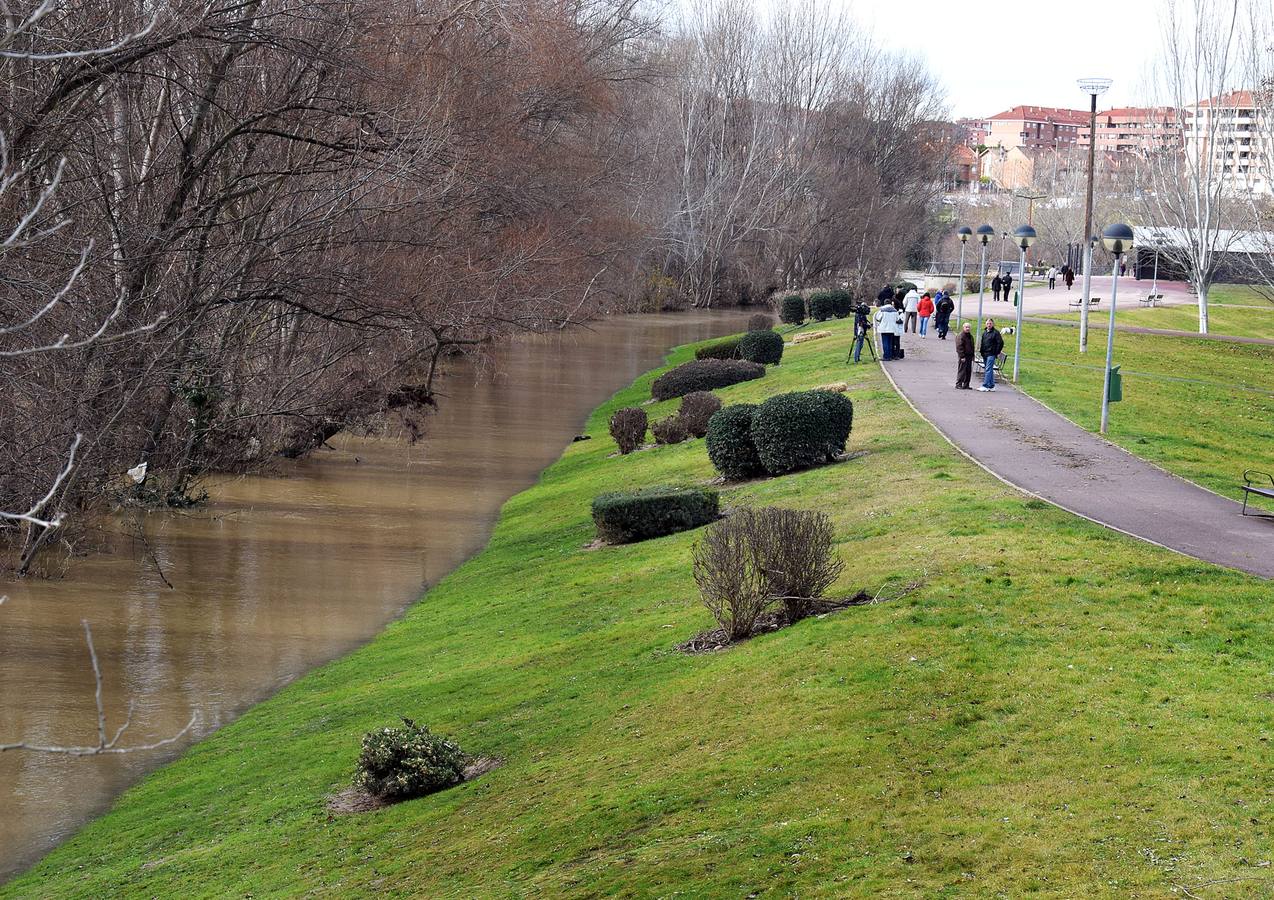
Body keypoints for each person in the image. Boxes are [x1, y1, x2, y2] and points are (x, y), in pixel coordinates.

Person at [978, 317, 1004, 391]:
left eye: (990, 323)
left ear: (993, 324)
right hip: (984, 353)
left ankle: (985, 385)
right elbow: (983, 343)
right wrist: (981, 351)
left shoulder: (996, 333)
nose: (989, 325)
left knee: (988, 369)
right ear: (985, 324)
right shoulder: (984, 332)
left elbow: (1000, 343)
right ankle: (991, 386)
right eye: (987, 323)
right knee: (988, 369)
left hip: (991, 354)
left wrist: (996, 352)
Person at [955, 322, 975, 389]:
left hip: (969, 356)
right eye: (966, 327)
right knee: (962, 370)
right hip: (963, 356)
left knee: (968, 370)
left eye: (968, 327)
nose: (967, 328)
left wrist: (973, 355)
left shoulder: (970, 336)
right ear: (963, 328)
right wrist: (962, 356)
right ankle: (958, 384)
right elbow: (959, 346)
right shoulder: (961, 336)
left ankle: (966, 384)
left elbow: (972, 346)